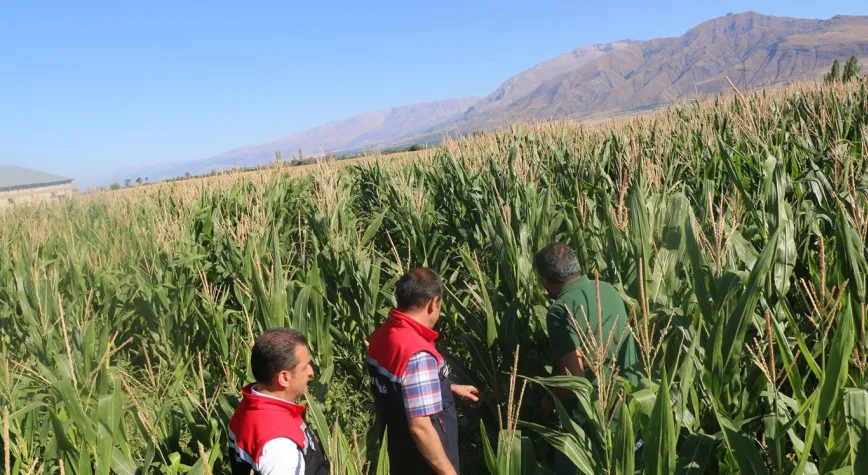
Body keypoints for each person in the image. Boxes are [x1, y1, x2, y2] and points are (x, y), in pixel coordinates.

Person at [534, 243, 639, 475]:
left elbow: (574, 382)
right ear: (577, 266)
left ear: (545, 281)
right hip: (631, 407)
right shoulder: (608, 289)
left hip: (594, 423)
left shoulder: (560, 310)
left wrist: (549, 400)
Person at [367, 268, 482, 475]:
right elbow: (421, 428)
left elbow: (400, 387)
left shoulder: (383, 335)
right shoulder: (417, 353)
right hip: (426, 462)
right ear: (433, 303)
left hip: (399, 447)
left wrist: (449, 387)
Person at [228, 328, 328, 475]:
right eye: (305, 366)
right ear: (284, 378)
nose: (311, 372)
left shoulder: (248, 405)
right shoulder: (281, 448)